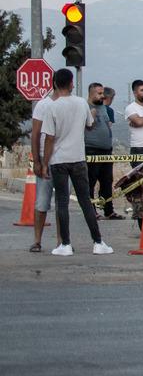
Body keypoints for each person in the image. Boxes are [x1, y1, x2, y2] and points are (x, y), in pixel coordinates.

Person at [41, 69, 112, 256]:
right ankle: (98, 242)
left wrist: (44, 163)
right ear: (72, 83)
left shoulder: (52, 108)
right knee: (85, 202)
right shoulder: (81, 103)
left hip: (58, 161)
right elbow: (90, 124)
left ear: (55, 84)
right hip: (78, 159)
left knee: (62, 202)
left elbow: (49, 138)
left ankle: (65, 244)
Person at [28, 85, 63, 253]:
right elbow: (35, 134)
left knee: (61, 203)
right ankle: (37, 240)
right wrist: (37, 161)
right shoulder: (43, 105)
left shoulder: (70, 104)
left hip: (65, 161)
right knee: (42, 202)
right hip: (45, 160)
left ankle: (61, 241)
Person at [85, 82, 122, 219]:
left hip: (106, 150)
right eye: (99, 94)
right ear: (91, 93)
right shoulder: (86, 107)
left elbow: (107, 124)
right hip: (91, 151)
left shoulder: (103, 108)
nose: (102, 96)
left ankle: (108, 210)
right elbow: (88, 126)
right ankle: (91, 211)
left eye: (103, 94)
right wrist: (92, 116)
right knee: (90, 182)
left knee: (107, 181)